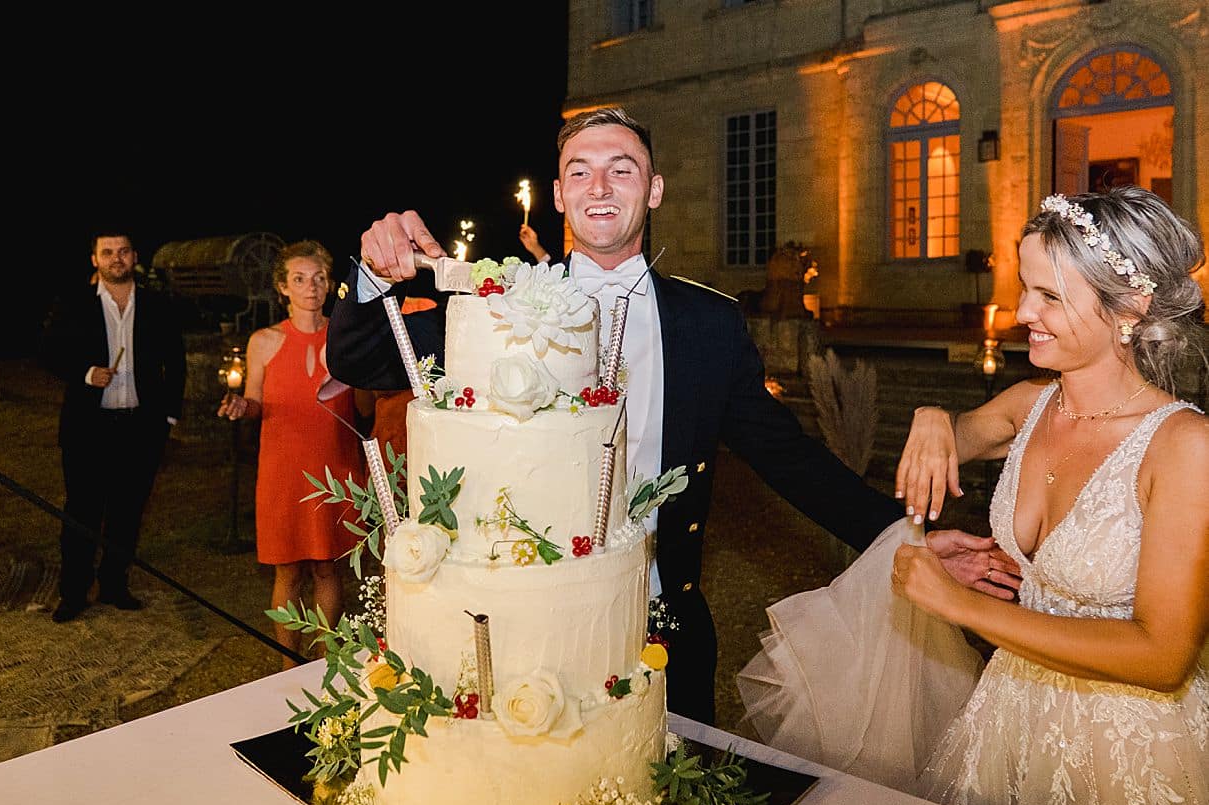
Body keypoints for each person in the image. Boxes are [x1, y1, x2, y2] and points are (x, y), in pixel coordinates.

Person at [324, 106, 1019, 725]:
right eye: (581, 172)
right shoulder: (497, 301)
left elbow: (790, 458)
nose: (600, 187)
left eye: (622, 170)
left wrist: (902, 537)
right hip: (516, 626)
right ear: (559, 192)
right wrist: (373, 275)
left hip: (666, 625)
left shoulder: (709, 324)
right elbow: (361, 359)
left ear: (654, 190)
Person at [739, 186, 1208, 805]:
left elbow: (1163, 656)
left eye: (1049, 297)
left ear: (1131, 308)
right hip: (1009, 713)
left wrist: (959, 606)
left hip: (1128, 741)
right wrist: (931, 415)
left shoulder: (1183, 446)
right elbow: (952, 443)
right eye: (1024, 287)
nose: (1020, 313)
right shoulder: (1027, 406)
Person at [219, 240, 369, 670]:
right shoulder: (263, 341)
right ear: (283, 287)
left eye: (319, 278)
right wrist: (239, 407)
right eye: (300, 279)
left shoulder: (345, 339)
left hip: (335, 466)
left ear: (331, 284)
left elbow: (364, 409)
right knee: (287, 572)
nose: (311, 287)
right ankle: (286, 665)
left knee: (327, 569)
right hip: (283, 469)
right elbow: (254, 402)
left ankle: (324, 659)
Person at [42, 231, 187, 623]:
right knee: (82, 513)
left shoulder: (157, 304)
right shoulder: (75, 303)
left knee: (127, 512)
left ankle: (114, 585)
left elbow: (176, 363)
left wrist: (167, 417)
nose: (116, 259)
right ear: (94, 259)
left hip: (140, 427)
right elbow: (49, 351)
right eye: (107, 252)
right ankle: (73, 593)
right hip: (89, 428)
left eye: (123, 252)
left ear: (134, 256)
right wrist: (86, 373)